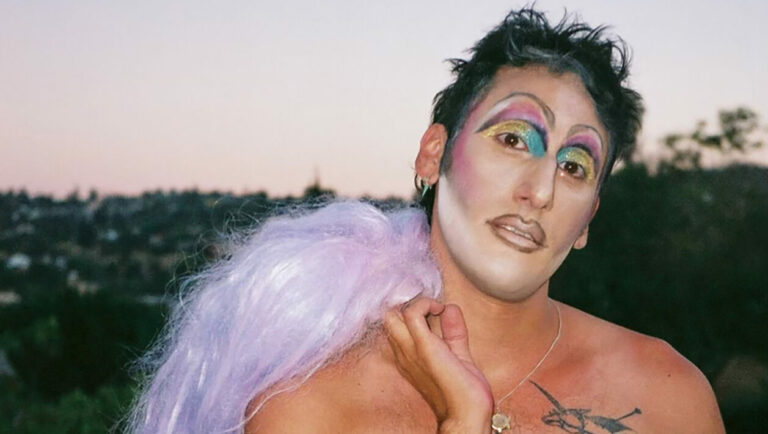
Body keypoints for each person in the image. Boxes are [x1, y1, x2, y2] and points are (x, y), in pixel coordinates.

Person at [127, 7, 725, 434]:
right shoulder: (309, 406)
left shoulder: (668, 396)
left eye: (574, 166)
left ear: (589, 217)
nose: (540, 189)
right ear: (433, 154)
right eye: (515, 138)